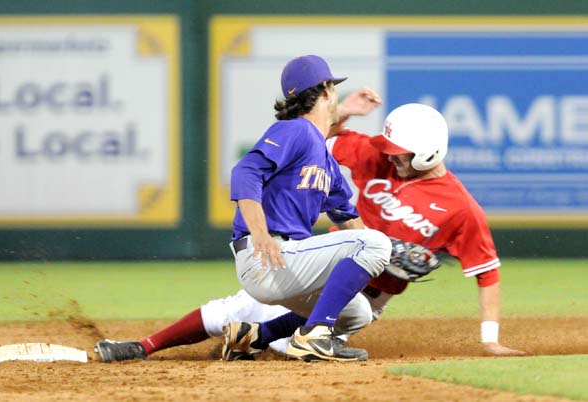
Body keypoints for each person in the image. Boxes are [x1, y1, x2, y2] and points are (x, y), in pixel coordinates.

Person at [94, 88, 525, 364]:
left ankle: (262, 336)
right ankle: (149, 346)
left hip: (365, 301)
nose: (390, 156)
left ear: (429, 153)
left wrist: (489, 339)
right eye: (390, 148)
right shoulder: (374, 157)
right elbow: (317, 141)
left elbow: (486, 272)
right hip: (320, 266)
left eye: (401, 152)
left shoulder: (462, 209)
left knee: (337, 318)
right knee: (242, 305)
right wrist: (344, 113)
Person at [96, 55, 392, 363]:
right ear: (327, 89)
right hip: (268, 254)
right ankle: (314, 336)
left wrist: (386, 259)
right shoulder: (296, 131)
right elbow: (246, 172)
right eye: (333, 87)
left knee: (357, 313)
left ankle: (254, 336)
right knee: (377, 242)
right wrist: (260, 232)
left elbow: (350, 223)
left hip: (286, 267)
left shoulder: (324, 159)